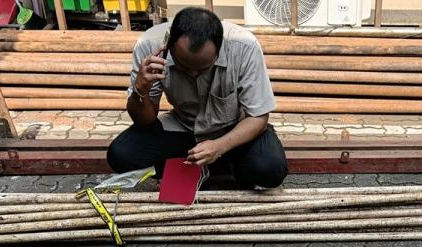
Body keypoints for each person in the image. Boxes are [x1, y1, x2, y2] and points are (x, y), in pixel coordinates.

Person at [107, 8, 288, 189]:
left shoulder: (243, 47)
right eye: (183, 67)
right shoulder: (150, 46)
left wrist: (219, 147)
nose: (193, 75)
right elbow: (145, 121)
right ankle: (195, 168)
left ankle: (223, 165)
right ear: (169, 45)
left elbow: (259, 117)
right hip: (185, 127)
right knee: (121, 154)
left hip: (234, 130)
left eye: (203, 69)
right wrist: (140, 90)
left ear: (219, 49)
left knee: (269, 168)